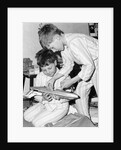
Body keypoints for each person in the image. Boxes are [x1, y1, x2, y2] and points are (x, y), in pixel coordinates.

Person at [38, 23, 98, 118]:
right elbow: (68, 65)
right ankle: (86, 121)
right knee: (80, 93)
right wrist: (53, 79)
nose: (53, 51)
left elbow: (89, 65)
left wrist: (71, 81)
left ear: (57, 38)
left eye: (52, 47)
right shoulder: (64, 47)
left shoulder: (74, 41)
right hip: (90, 67)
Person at [24, 49, 70, 127]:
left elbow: (70, 96)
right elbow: (36, 94)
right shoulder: (40, 76)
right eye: (44, 70)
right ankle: (47, 117)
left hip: (60, 107)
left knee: (36, 123)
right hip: (45, 104)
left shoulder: (64, 76)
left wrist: (60, 96)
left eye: (49, 68)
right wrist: (43, 98)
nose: (47, 72)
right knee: (26, 116)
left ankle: (60, 118)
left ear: (55, 63)